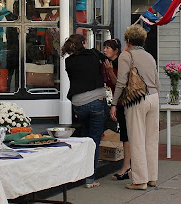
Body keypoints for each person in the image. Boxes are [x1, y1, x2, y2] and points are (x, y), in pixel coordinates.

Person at [110, 24, 161, 190]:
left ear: (128, 40)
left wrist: (114, 103)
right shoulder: (149, 56)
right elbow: (157, 82)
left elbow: (121, 82)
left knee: (136, 140)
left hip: (136, 99)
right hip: (154, 97)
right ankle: (152, 177)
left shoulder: (126, 55)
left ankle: (140, 180)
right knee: (151, 139)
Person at [63, 33, 107, 189]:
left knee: (84, 138)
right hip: (96, 100)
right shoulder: (94, 54)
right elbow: (107, 60)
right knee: (94, 140)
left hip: (78, 103)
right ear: (83, 43)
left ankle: (78, 174)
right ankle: (90, 179)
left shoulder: (69, 61)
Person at [103, 38, 131, 180]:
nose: (105, 50)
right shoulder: (107, 64)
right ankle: (128, 166)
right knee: (124, 134)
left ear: (116, 51)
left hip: (124, 102)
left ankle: (127, 167)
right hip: (117, 101)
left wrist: (109, 71)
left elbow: (118, 83)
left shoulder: (120, 64)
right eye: (105, 47)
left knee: (127, 134)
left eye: (108, 48)